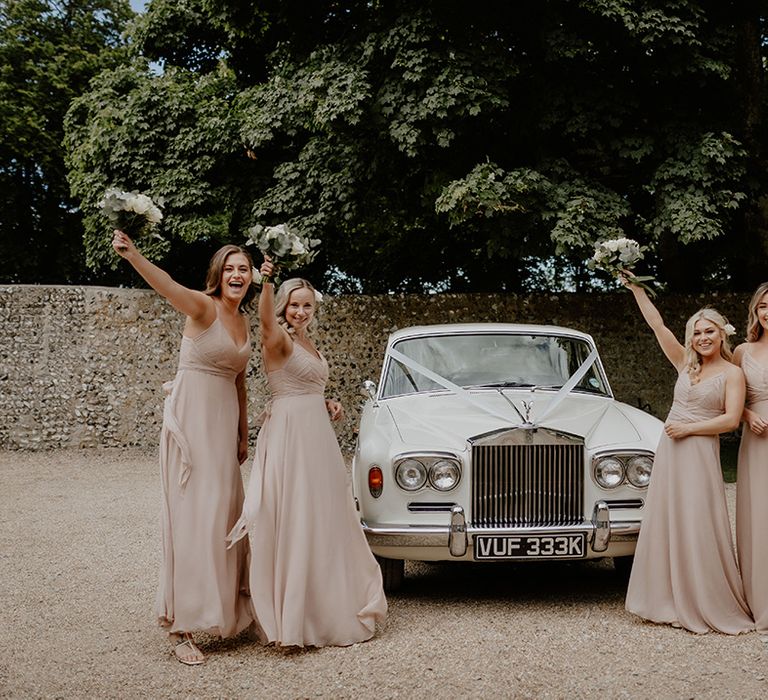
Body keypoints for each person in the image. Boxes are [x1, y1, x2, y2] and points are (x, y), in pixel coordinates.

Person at [112, 230, 256, 665]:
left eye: (243, 269)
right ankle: (180, 626)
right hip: (193, 425)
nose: (237, 275)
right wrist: (134, 255)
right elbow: (167, 286)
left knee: (225, 515)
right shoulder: (202, 306)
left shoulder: (244, 320)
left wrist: (243, 432)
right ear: (218, 275)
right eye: (230, 269)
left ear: (251, 278)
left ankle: (226, 611)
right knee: (194, 518)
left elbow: (240, 379)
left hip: (224, 425)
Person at [227, 258, 387, 647]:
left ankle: (324, 598)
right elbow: (265, 322)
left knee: (323, 513)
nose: (300, 311)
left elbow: (307, 383)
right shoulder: (277, 336)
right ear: (282, 306)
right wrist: (265, 280)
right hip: (290, 435)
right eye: (294, 305)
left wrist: (327, 401)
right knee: (295, 513)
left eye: (307, 306)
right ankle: (293, 613)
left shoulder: (307, 342)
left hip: (317, 434)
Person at [622, 276, 754, 634]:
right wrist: (637, 290)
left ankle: (705, 598)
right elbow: (656, 324)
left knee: (698, 519)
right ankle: (665, 598)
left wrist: (688, 428)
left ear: (722, 335)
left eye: (709, 331)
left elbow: (730, 420)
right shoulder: (684, 363)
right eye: (697, 333)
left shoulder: (733, 373)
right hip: (671, 453)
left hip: (697, 449)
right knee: (668, 518)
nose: (703, 338)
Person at [733, 282, 768, 632]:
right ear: (756, 312)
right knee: (759, 515)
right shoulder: (742, 351)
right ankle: (760, 599)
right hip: (757, 442)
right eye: (763, 306)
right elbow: (729, 396)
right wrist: (747, 415)